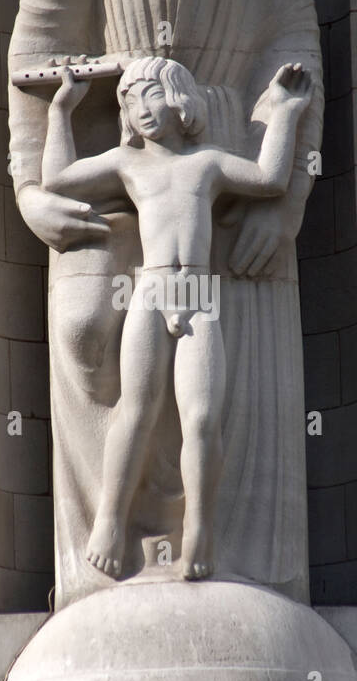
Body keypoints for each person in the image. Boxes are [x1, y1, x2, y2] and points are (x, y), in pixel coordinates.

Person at [8, 0, 324, 606]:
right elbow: (35, 55)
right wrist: (31, 187)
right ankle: (101, 554)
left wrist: (287, 201)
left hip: (222, 174)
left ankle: (216, 552)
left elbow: (296, 45)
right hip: (123, 167)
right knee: (83, 333)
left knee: (208, 406)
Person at [40, 57, 313, 581]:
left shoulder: (207, 163)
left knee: (202, 418)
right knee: (135, 410)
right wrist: (61, 109)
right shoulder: (126, 163)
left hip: (198, 293)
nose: (141, 109)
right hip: (149, 291)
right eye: (129, 99)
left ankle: (199, 531)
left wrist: (284, 111)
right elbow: (56, 178)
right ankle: (110, 523)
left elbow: (270, 178)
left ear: (181, 98)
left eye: (151, 95)